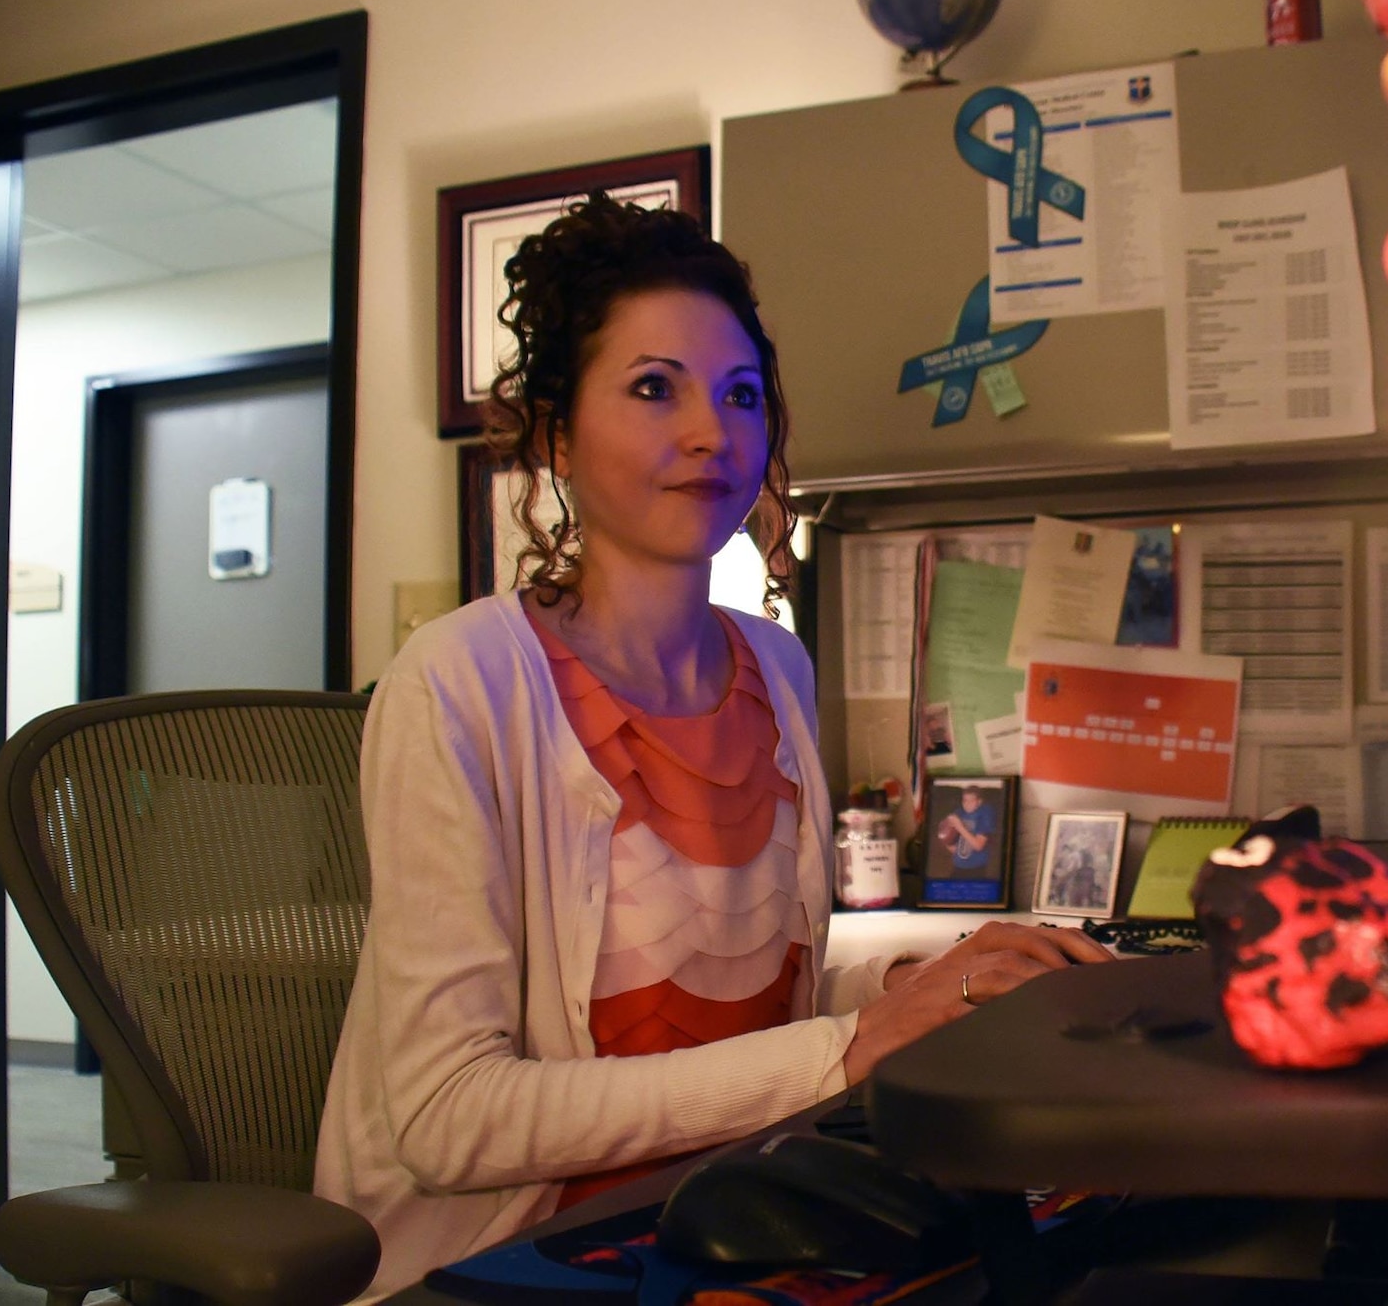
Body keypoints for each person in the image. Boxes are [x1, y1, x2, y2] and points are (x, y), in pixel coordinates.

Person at [315, 195, 1111, 1302]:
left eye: (741, 396)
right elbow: (448, 1122)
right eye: (653, 389)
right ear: (553, 432)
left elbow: (747, 1016)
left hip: (722, 1219)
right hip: (496, 1259)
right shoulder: (458, 683)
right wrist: (849, 1046)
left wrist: (930, 984)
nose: (712, 433)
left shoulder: (775, 667)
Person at [936, 785, 996, 875]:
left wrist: (959, 826)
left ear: (979, 802)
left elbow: (978, 846)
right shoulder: (958, 812)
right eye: (965, 800)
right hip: (958, 865)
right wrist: (946, 838)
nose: (967, 804)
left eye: (971, 800)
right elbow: (951, 845)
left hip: (976, 867)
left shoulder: (985, 813)